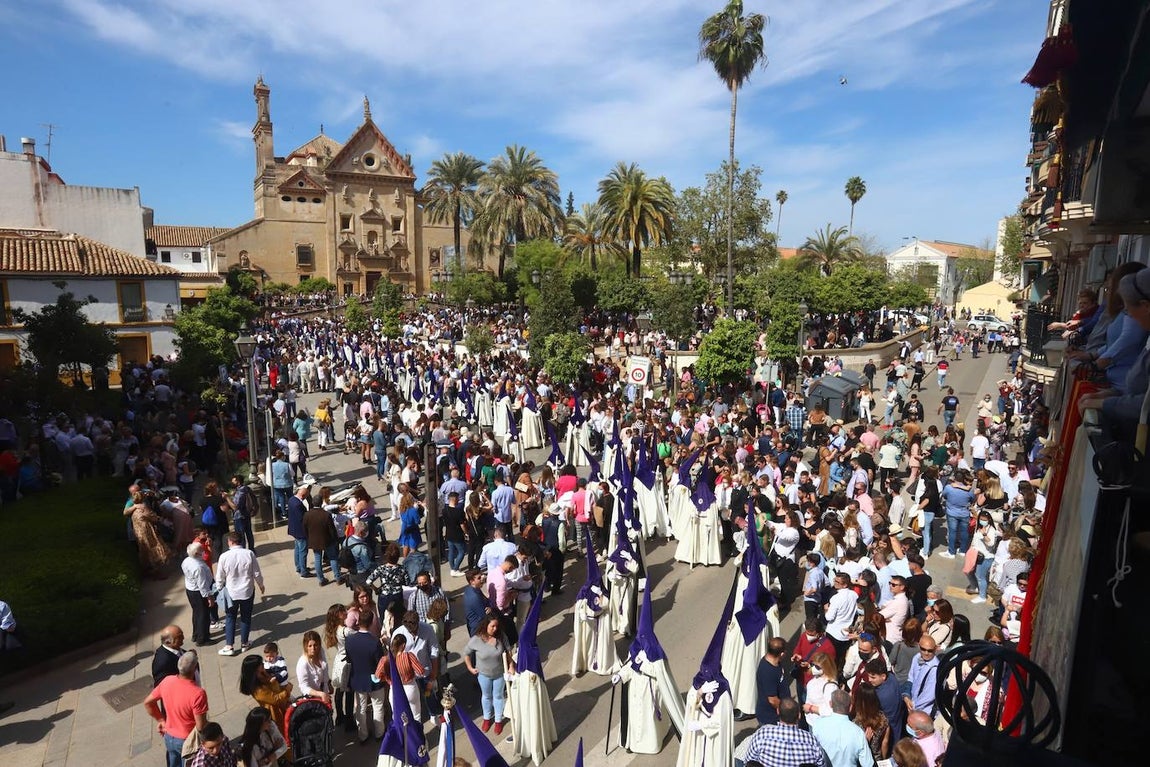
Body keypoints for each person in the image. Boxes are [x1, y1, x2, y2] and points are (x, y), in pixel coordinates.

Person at [143, 650, 208, 767]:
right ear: (194, 669)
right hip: (187, 740)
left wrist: (161, 720)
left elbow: (148, 702)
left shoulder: (167, 681)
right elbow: (200, 726)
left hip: (169, 736)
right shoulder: (198, 693)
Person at [215, 532, 266, 657]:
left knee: (230, 617)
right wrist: (261, 585)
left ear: (230, 542)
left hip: (231, 592)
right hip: (247, 591)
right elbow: (256, 573)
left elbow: (220, 576)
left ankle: (229, 646)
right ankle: (244, 643)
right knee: (246, 617)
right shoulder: (249, 554)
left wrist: (219, 588)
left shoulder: (224, 556)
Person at [464, 615, 515, 734]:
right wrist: (470, 668)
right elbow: (466, 653)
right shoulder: (476, 639)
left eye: (496, 626)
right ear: (486, 625)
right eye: (492, 626)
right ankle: (487, 718)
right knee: (486, 696)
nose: (495, 629)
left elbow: (508, 651)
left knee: (498, 696)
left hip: (499, 674)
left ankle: (498, 720)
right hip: (483, 675)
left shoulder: (501, 636)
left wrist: (511, 666)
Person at [743, 698, 827, 767]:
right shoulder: (811, 740)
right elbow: (821, 764)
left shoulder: (763, 734)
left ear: (778, 711)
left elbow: (748, 761)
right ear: (799, 715)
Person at [344, 607, 386, 744]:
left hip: (358, 679)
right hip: (374, 679)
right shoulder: (374, 642)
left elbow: (349, 659)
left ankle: (363, 735)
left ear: (358, 621)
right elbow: (380, 663)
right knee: (377, 706)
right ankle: (379, 733)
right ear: (371, 622)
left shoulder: (350, 640)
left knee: (360, 709)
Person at [810, 689, 875, 767]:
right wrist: (866, 743)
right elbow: (868, 764)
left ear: (830, 704)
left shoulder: (817, 725)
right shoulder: (858, 733)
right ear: (850, 707)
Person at [239, 654, 292, 732]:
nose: (263, 664)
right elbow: (275, 699)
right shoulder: (257, 689)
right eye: (261, 664)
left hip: (285, 705)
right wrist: (287, 689)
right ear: (255, 669)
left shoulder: (264, 673)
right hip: (277, 714)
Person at [182, 543, 215, 647]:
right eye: (201, 550)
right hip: (199, 592)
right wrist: (209, 597)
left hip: (191, 590)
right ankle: (202, 639)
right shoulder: (198, 567)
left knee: (196, 613)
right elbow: (202, 585)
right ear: (196, 553)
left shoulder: (186, 561)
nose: (203, 551)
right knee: (203, 615)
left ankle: (196, 634)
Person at [303, 496, 338, 586]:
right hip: (327, 540)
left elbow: (305, 528)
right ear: (321, 503)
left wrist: (309, 538)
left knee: (317, 559)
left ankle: (321, 579)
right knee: (333, 558)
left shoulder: (307, 514)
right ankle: (337, 577)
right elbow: (332, 529)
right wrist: (335, 539)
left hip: (315, 541)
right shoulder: (326, 514)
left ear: (313, 503)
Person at [852, 681, 891, 762]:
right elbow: (885, 742)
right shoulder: (883, 719)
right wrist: (884, 760)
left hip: (863, 760)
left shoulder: (855, 724)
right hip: (877, 759)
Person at [903, 636, 939, 717]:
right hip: (912, 705)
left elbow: (928, 696)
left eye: (930, 651)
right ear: (919, 647)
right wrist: (906, 696)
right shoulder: (916, 657)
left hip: (924, 712)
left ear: (935, 649)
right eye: (923, 649)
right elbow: (911, 678)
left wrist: (913, 708)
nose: (926, 653)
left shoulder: (935, 669)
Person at [802, 652, 840, 724]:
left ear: (826, 668)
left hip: (820, 723)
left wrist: (810, 708)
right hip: (811, 720)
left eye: (817, 667)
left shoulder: (830, 686)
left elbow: (831, 711)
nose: (813, 668)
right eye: (813, 664)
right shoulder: (817, 677)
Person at [296, 630, 332, 704]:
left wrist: (328, 683)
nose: (313, 649)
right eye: (310, 646)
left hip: (324, 694)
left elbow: (324, 670)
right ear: (305, 647)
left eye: (315, 645)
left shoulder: (321, 652)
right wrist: (320, 694)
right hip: (312, 700)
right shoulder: (302, 663)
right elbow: (303, 687)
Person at [287, 482, 312, 579]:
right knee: (303, 551)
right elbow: (303, 518)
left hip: (294, 529)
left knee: (297, 549)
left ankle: (299, 567)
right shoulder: (298, 505)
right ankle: (303, 571)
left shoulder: (291, 499)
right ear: (303, 495)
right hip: (300, 531)